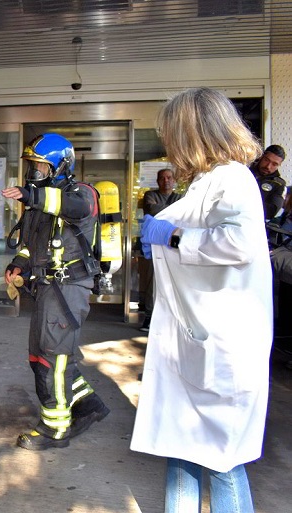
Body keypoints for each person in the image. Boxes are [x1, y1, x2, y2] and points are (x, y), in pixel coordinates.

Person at [130, 87, 272, 513]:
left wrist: (170, 235)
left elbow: (239, 243)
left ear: (192, 132)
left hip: (221, 348)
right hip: (194, 341)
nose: (169, 144)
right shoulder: (208, 181)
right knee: (181, 448)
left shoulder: (233, 178)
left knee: (222, 461)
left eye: (172, 134)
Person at [2, 133, 110, 451]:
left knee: (52, 360)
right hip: (47, 287)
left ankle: (55, 428)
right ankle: (88, 404)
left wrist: (31, 195)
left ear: (60, 166)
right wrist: (19, 264)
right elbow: (31, 244)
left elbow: (69, 205)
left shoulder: (82, 193)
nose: (33, 172)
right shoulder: (39, 200)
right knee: (42, 357)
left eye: (39, 166)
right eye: (31, 166)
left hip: (68, 287)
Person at [138, 168, 182, 332]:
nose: (166, 181)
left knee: (173, 282)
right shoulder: (150, 195)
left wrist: (164, 212)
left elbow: (182, 216)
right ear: (157, 181)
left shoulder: (179, 197)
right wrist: (172, 212)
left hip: (173, 245)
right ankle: (149, 317)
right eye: (162, 178)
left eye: (169, 178)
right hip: (153, 245)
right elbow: (153, 211)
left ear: (174, 180)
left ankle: (170, 319)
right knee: (152, 282)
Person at [249, 144, 286, 220]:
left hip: (255, 222)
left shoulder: (278, 184)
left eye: (274, 164)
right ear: (261, 157)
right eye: (266, 160)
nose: (268, 166)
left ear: (279, 165)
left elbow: (270, 212)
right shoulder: (244, 171)